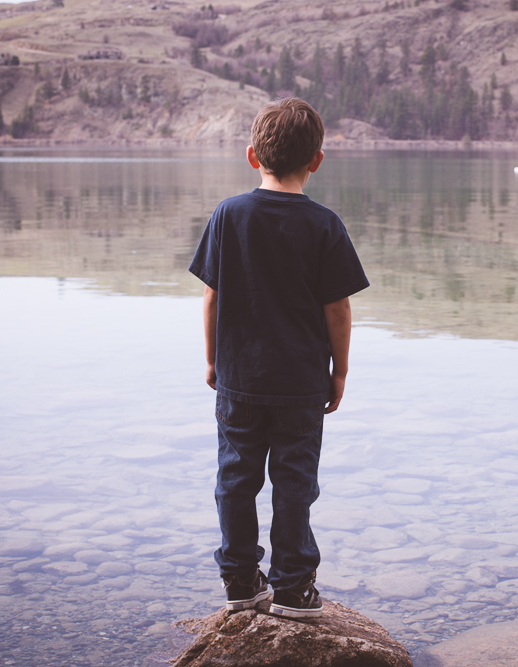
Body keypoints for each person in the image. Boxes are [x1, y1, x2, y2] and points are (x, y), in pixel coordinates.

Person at [189, 98, 369, 619]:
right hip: (300, 384)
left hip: (239, 380)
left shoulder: (229, 214)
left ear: (252, 156)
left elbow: (212, 296)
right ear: (317, 160)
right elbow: (337, 308)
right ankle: (292, 587)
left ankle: (240, 581)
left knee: (234, 480)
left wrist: (212, 360)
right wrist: (340, 371)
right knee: (295, 483)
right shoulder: (324, 224)